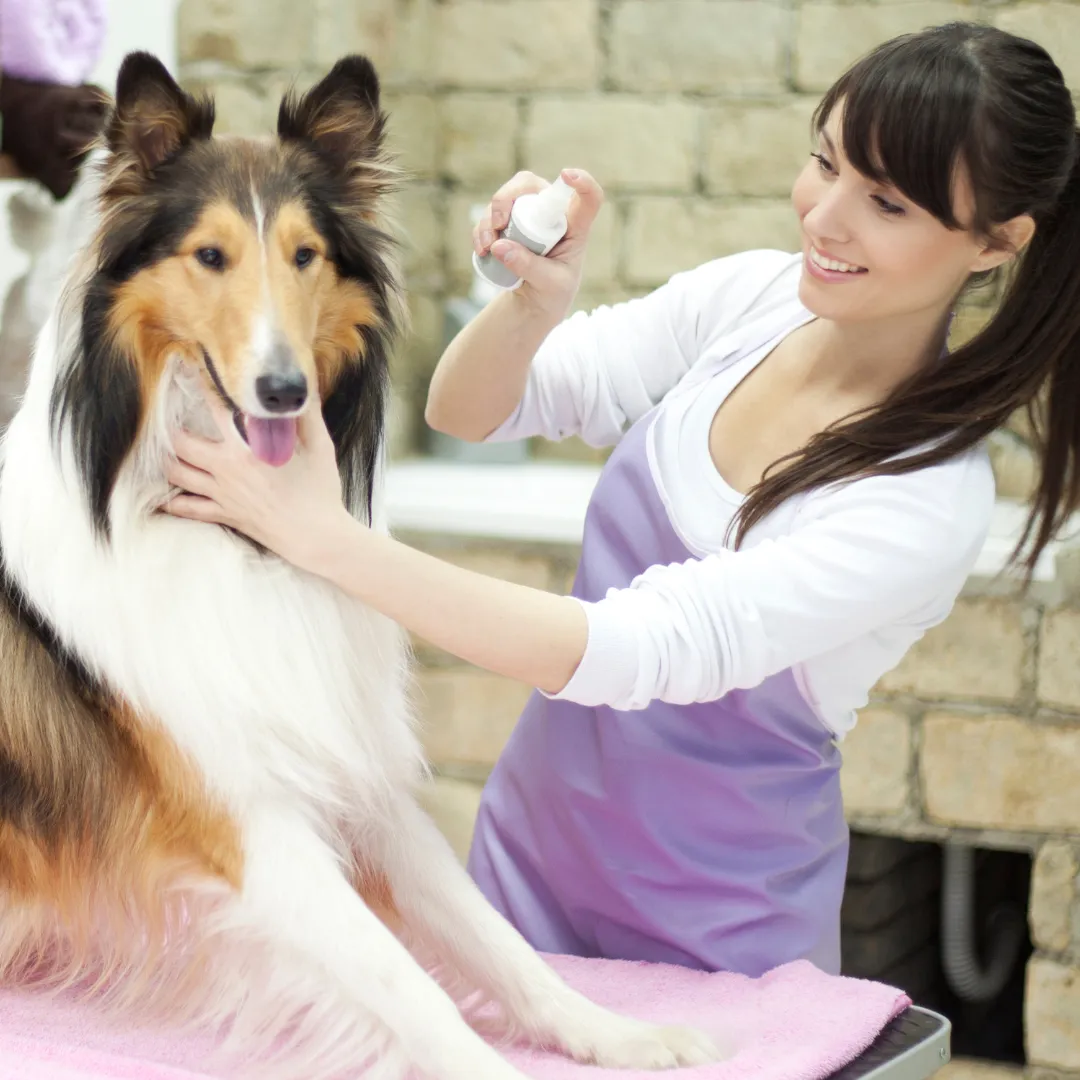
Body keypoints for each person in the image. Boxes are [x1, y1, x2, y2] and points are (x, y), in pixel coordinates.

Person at [165, 22, 1080, 978]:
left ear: (996, 243)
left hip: (716, 934)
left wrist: (321, 536)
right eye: (826, 162)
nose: (825, 217)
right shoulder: (753, 301)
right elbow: (472, 409)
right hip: (527, 863)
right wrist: (529, 305)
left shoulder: (925, 496)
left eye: (886, 203)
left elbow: (631, 650)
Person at [0, 0, 108, 199]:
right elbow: (26, 45)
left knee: (101, 108)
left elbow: (92, 36)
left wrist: (71, 74)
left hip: (67, 86)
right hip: (20, 81)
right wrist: (66, 75)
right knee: (77, 119)